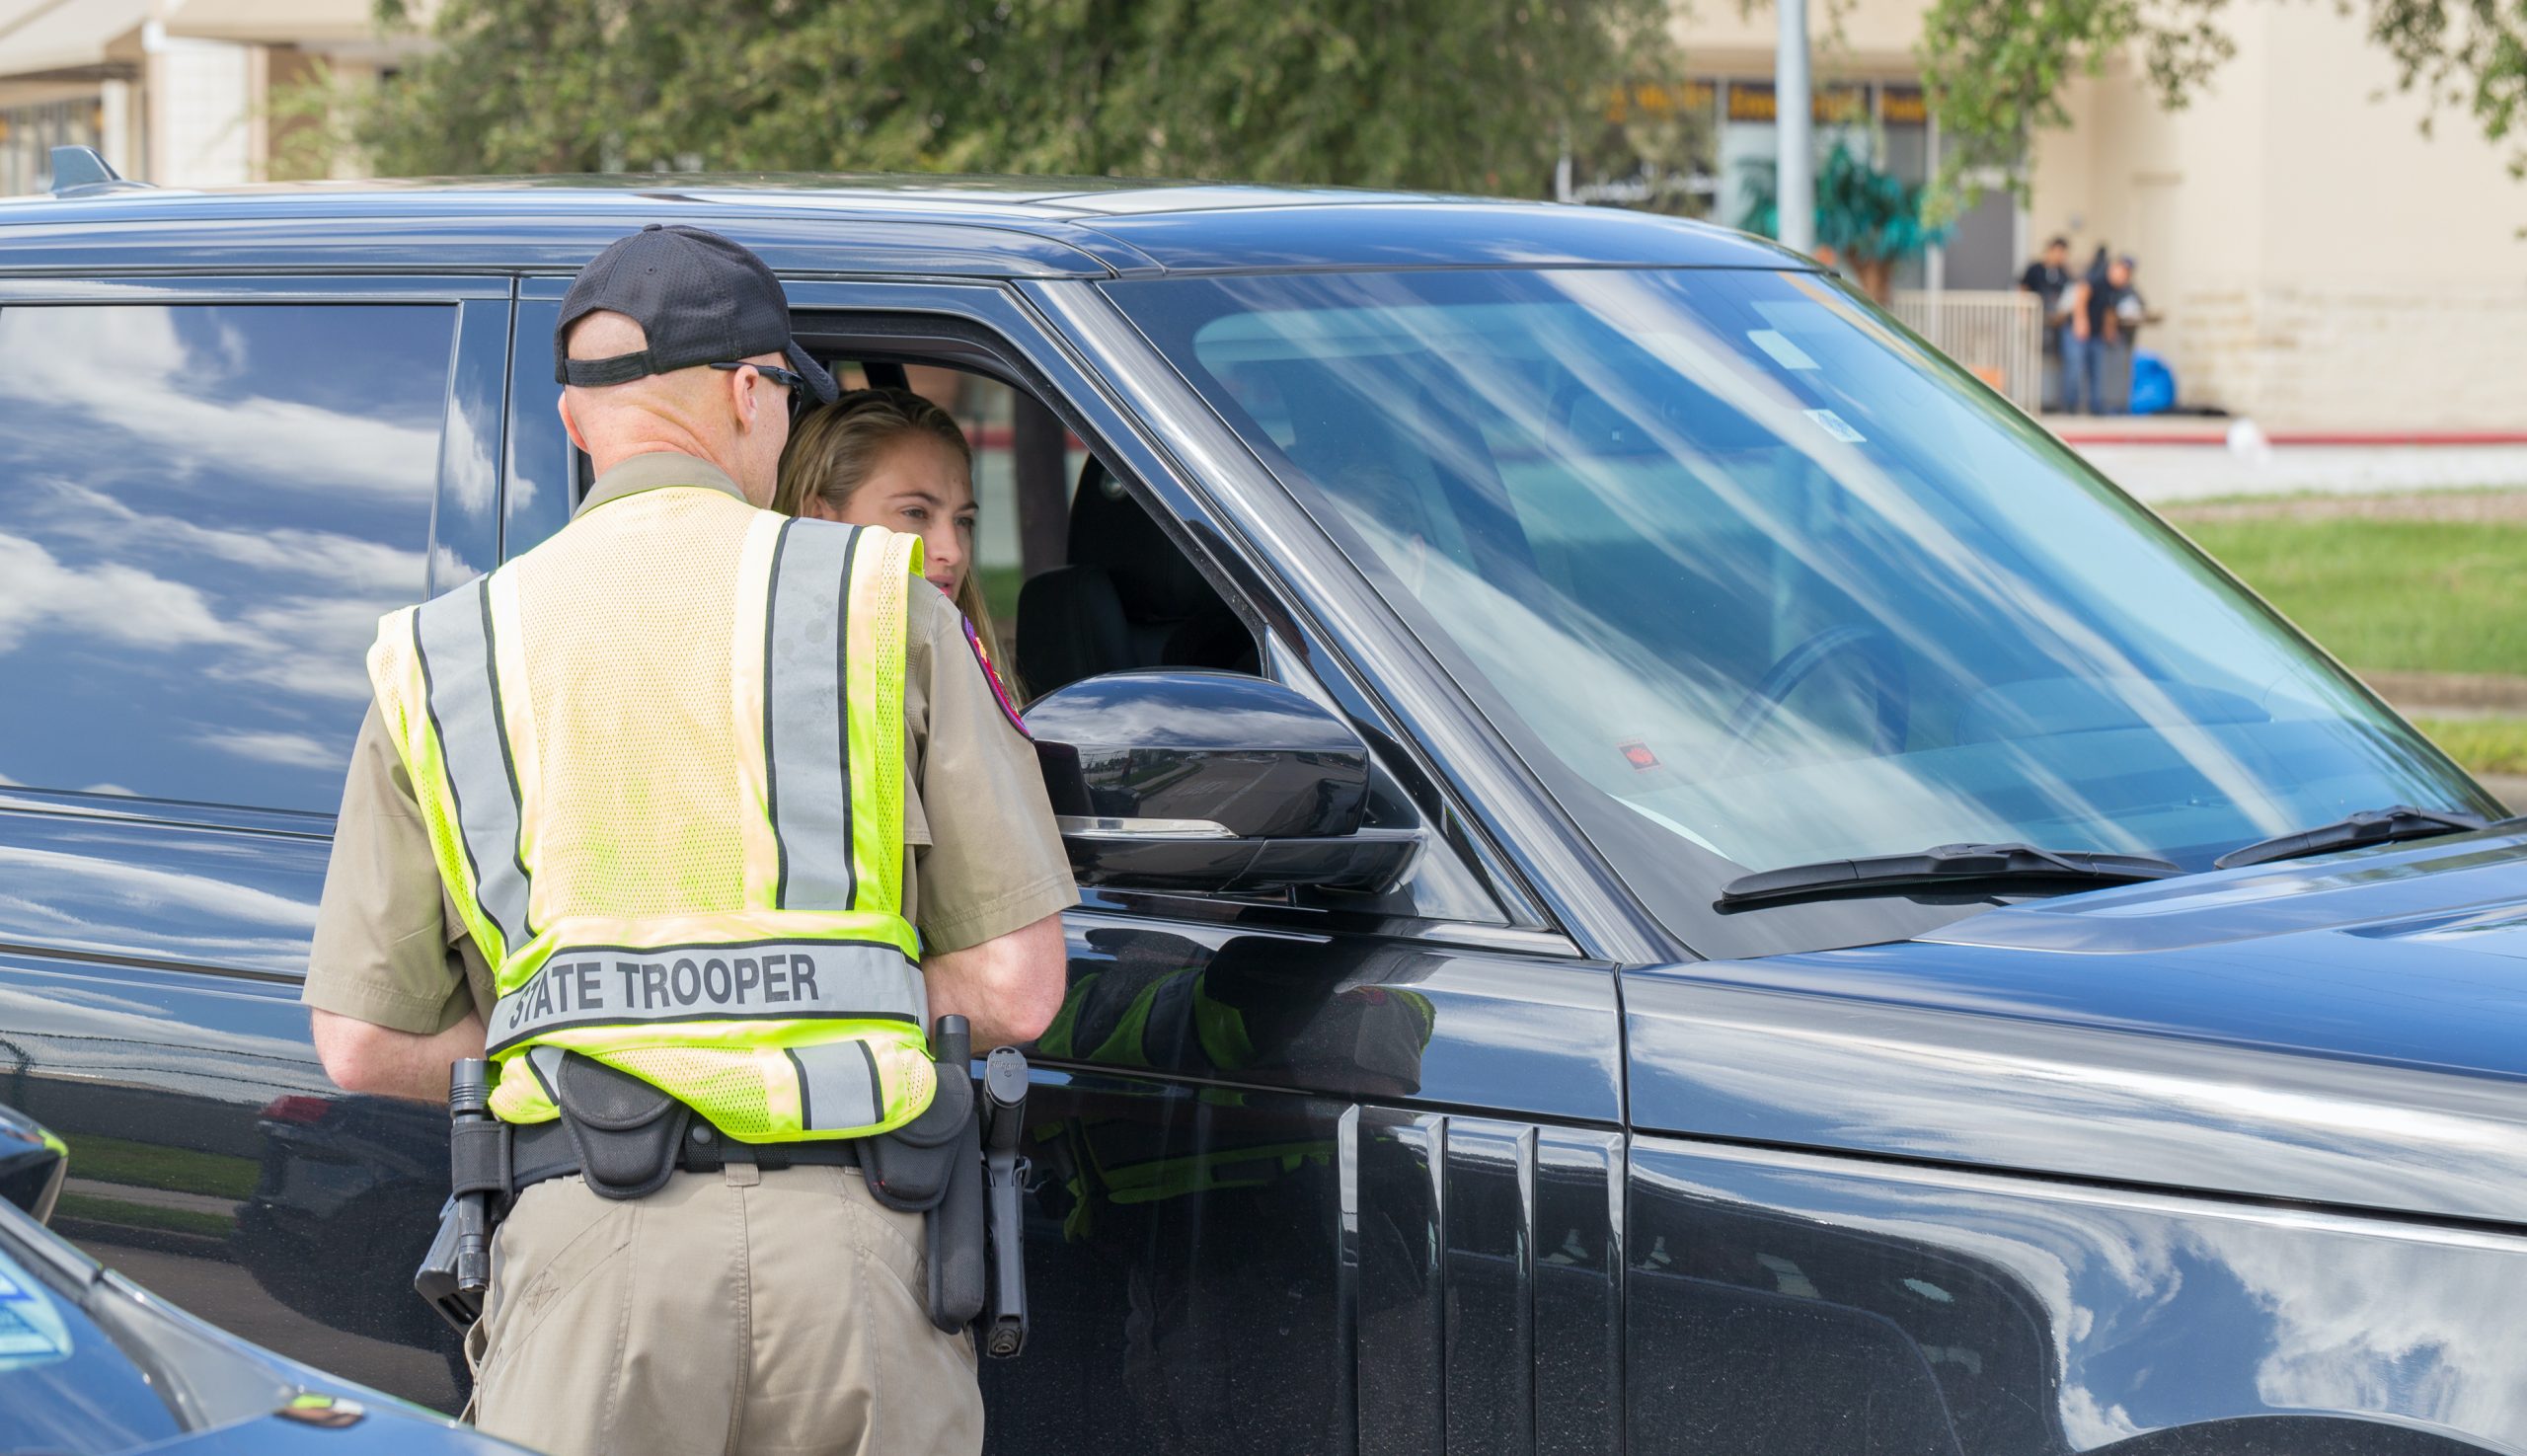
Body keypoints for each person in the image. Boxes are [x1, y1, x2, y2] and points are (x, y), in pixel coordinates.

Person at [301, 223, 1077, 1456]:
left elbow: (361, 1037)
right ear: (747, 391)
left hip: (580, 1259)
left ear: (572, 419)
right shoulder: (882, 605)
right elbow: (1015, 985)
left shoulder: (443, 655)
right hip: (862, 1263)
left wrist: (599, 1028)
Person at [774, 387, 1027, 705]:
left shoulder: (971, 676)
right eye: (915, 513)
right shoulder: (781, 684)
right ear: (819, 520)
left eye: (963, 521)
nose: (953, 551)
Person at [2067, 253, 2146, 415]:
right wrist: (2080, 321)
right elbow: (2082, 294)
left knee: (2098, 370)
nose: (2123, 276)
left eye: (2127, 273)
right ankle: (2071, 407)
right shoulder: (2099, 276)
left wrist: (2109, 330)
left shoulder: (2118, 289)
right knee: (2076, 368)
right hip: (2079, 329)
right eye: (2122, 270)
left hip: (2096, 333)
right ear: (2114, 268)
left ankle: (2097, 408)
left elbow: (2109, 310)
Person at [2018, 236, 2073, 411]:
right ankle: (2031, 399)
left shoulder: (2064, 273)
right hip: (2036, 322)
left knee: (2054, 362)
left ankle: (2052, 400)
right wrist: (2024, 313)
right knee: (2032, 360)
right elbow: (2023, 290)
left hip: (2055, 326)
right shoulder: (2035, 269)